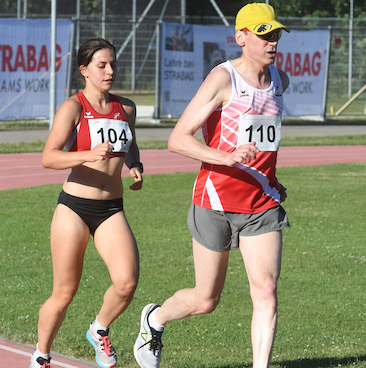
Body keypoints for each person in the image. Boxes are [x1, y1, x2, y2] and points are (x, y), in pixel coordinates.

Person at [134, 3, 290, 368]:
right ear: (241, 38)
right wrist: (227, 157)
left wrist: (271, 177)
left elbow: (265, 140)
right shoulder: (223, 79)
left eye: (276, 34)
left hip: (261, 204)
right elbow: (178, 139)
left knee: (266, 290)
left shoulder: (280, 80)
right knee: (206, 300)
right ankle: (154, 319)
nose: (272, 42)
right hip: (215, 200)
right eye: (264, 34)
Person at [29, 38, 143, 368]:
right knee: (64, 292)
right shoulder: (73, 107)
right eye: (102, 65)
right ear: (84, 71)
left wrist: (135, 166)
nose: (110, 71)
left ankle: (99, 328)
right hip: (74, 208)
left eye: (113, 64)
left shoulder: (128, 108)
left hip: (111, 209)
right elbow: (48, 158)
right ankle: (41, 355)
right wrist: (87, 154)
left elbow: (130, 145)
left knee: (126, 283)